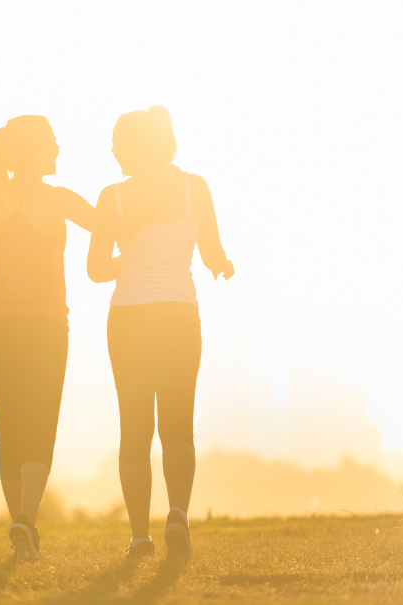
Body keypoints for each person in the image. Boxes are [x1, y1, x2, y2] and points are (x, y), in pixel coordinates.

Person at [0, 115, 127, 562]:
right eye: (54, 143)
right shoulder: (57, 199)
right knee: (40, 425)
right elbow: (112, 227)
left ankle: (21, 529)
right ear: (38, 151)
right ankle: (25, 520)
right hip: (44, 327)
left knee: (9, 431)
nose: (60, 150)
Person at [87, 106, 234, 559]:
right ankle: (178, 516)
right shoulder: (194, 188)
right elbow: (212, 253)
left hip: (128, 319)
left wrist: (132, 260)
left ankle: (139, 537)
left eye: (117, 143)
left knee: (134, 428)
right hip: (179, 317)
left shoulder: (111, 197)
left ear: (136, 146)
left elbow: (96, 269)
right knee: (178, 425)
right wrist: (223, 266)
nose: (112, 151)